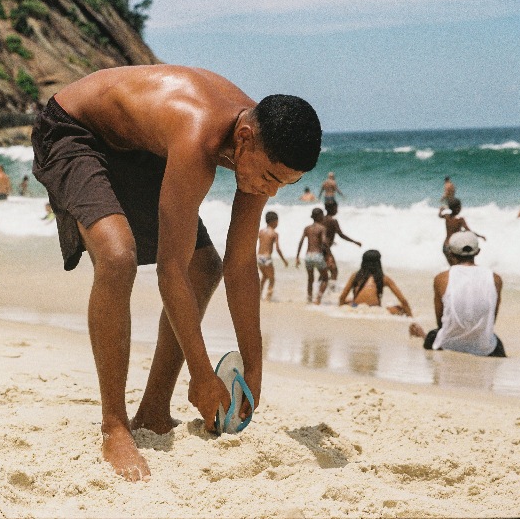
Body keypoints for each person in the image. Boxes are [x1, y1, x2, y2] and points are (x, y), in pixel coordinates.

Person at [31, 64, 321, 481]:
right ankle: (114, 425)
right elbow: (170, 271)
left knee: (207, 267)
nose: (271, 190)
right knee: (117, 257)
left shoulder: (258, 143)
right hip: (75, 129)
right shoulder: (198, 133)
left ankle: (152, 411)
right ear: (244, 138)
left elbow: (240, 265)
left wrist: (254, 370)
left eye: (285, 185)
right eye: (272, 177)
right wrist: (202, 375)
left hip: (138, 147)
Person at [409, 231, 505, 357]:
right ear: (478, 252)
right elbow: (490, 321)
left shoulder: (441, 278)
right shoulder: (495, 278)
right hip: (485, 348)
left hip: (448, 346)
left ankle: (423, 335)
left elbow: (441, 322)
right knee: (494, 341)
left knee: (434, 335)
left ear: (450, 252)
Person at [338, 250, 412, 316]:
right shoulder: (384, 278)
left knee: (348, 301)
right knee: (401, 308)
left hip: (357, 308)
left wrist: (341, 308)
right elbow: (403, 301)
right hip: (376, 311)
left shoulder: (355, 276)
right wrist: (411, 316)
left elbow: (342, 298)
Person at [322, 201, 361, 291]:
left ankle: (321, 289)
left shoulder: (322, 219)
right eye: (336, 208)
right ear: (332, 209)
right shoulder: (333, 220)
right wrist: (355, 242)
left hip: (321, 247)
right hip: (326, 249)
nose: (337, 210)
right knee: (334, 270)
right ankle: (331, 290)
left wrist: (331, 241)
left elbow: (324, 234)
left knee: (325, 271)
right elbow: (341, 235)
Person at [296, 208, 329, 304]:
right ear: (319, 216)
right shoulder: (322, 228)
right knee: (325, 278)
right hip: (317, 255)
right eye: (322, 215)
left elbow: (301, 242)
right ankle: (318, 299)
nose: (323, 217)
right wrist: (329, 254)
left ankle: (309, 298)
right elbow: (323, 242)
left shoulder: (307, 228)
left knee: (310, 279)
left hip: (308, 256)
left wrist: (297, 256)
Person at [439, 198, 485, 265]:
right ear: (458, 208)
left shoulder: (447, 216)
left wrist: (440, 211)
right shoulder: (460, 220)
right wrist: (479, 236)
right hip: (454, 245)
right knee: (458, 267)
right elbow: (469, 231)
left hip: (445, 246)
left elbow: (440, 216)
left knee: (452, 267)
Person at [257, 211, 288, 301]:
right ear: (273, 222)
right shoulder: (274, 233)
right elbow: (278, 249)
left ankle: (259, 296)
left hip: (259, 257)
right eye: (277, 221)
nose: (278, 223)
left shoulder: (261, 232)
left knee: (264, 276)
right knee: (272, 279)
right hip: (267, 258)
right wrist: (284, 260)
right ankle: (268, 298)